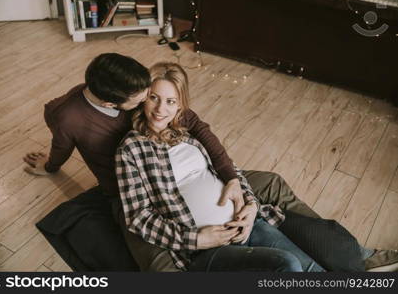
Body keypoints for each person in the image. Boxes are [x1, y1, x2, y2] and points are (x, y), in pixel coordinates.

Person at [25, 53, 397, 272]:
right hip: (137, 199)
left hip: (230, 218)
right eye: (147, 99)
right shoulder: (81, 120)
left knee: (274, 193)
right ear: (116, 102)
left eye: (168, 101)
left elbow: (201, 131)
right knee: (161, 268)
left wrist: (237, 185)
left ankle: (354, 257)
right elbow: (137, 212)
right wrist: (52, 165)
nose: (154, 106)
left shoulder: (163, 112)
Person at [116, 62, 330, 272]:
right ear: (144, 97)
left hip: (247, 226)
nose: (160, 109)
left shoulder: (188, 135)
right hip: (208, 250)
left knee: (311, 269)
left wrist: (251, 206)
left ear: (180, 105)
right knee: (287, 264)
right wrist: (196, 239)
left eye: (171, 101)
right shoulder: (131, 149)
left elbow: (232, 171)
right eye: (154, 98)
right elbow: (138, 217)